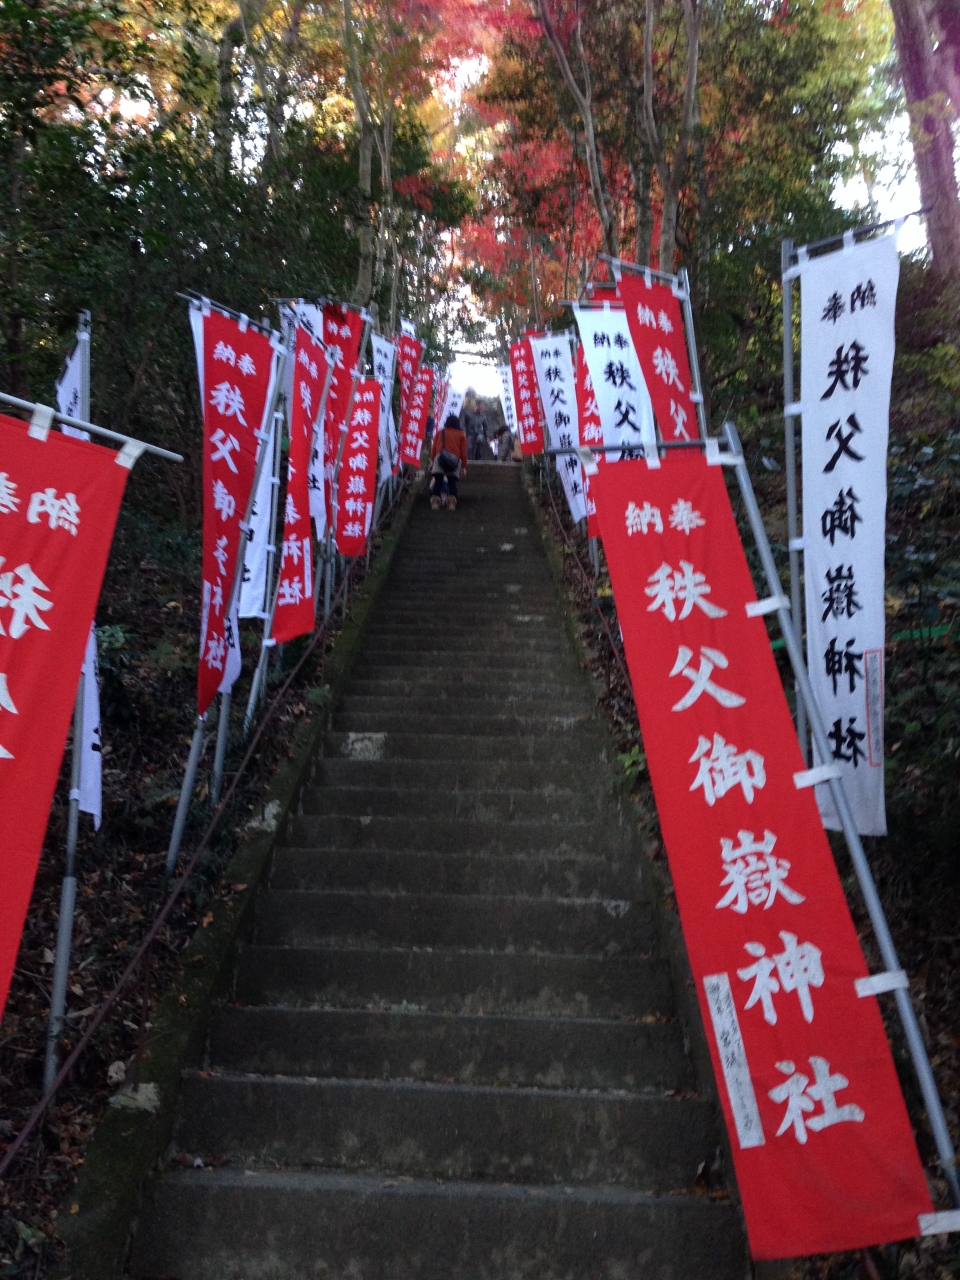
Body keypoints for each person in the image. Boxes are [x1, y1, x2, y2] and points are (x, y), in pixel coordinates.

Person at [429, 413, 468, 510]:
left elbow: (434, 448)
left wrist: (432, 461)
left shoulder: (440, 433)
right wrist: (464, 466)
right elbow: (464, 453)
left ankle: (435, 503)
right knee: (452, 482)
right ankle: (451, 504)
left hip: (440, 458)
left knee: (438, 481)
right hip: (454, 460)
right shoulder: (461, 435)